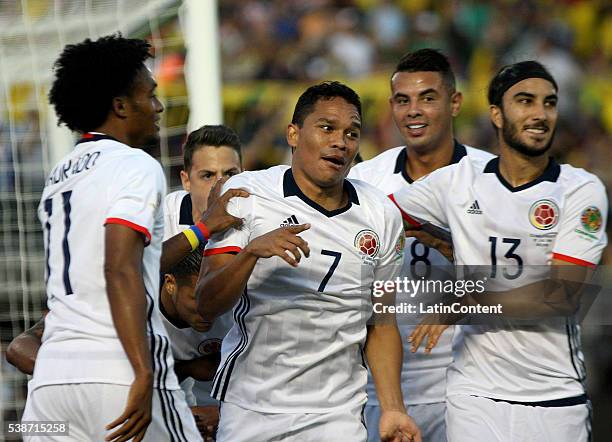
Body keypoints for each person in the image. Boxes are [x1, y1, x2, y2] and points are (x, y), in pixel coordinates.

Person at [392, 61, 608, 441]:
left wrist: (463, 304)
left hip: (553, 394)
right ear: (496, 113)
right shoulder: (457, 181)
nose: (540, 114)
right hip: (474, 393)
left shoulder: (580, 189)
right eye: (525, 101)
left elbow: (561, 295)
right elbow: (376, 214)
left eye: (549, 103)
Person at [196, 81, 421, 442]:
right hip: (252, 407)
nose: (341, 141)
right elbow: (206, 303)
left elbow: (381, 322)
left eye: (352, 132)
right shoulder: (247, 195)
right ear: (293, 134)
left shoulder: (381, 215)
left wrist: (393, 407)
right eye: (327, 128)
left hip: (337, 413)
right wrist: (251, 253)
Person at [22, 34, 200, 441]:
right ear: (120, 105)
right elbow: (119, 267)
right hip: (117, 369)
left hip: (50, 383)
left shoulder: (58, 175)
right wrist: (141, 369)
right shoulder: (134, 165)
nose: (158, 107)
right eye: (150, 95)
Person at [349, 48, 493, 442]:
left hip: (473, 387)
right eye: (402, 100)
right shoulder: (365, 182)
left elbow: (521, 283)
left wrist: (451, 248)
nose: (413, 111)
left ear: (455, 102)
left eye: (428, 98)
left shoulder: (491, 177)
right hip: (384, 391)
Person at [163, 124, 245, 440]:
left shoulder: (259, 223)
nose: (220, 185)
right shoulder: (160, 220)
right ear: (186, 180)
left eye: (230, 174)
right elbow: (125, 270)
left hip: (235, 376)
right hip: (162, 372)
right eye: (207, 175)